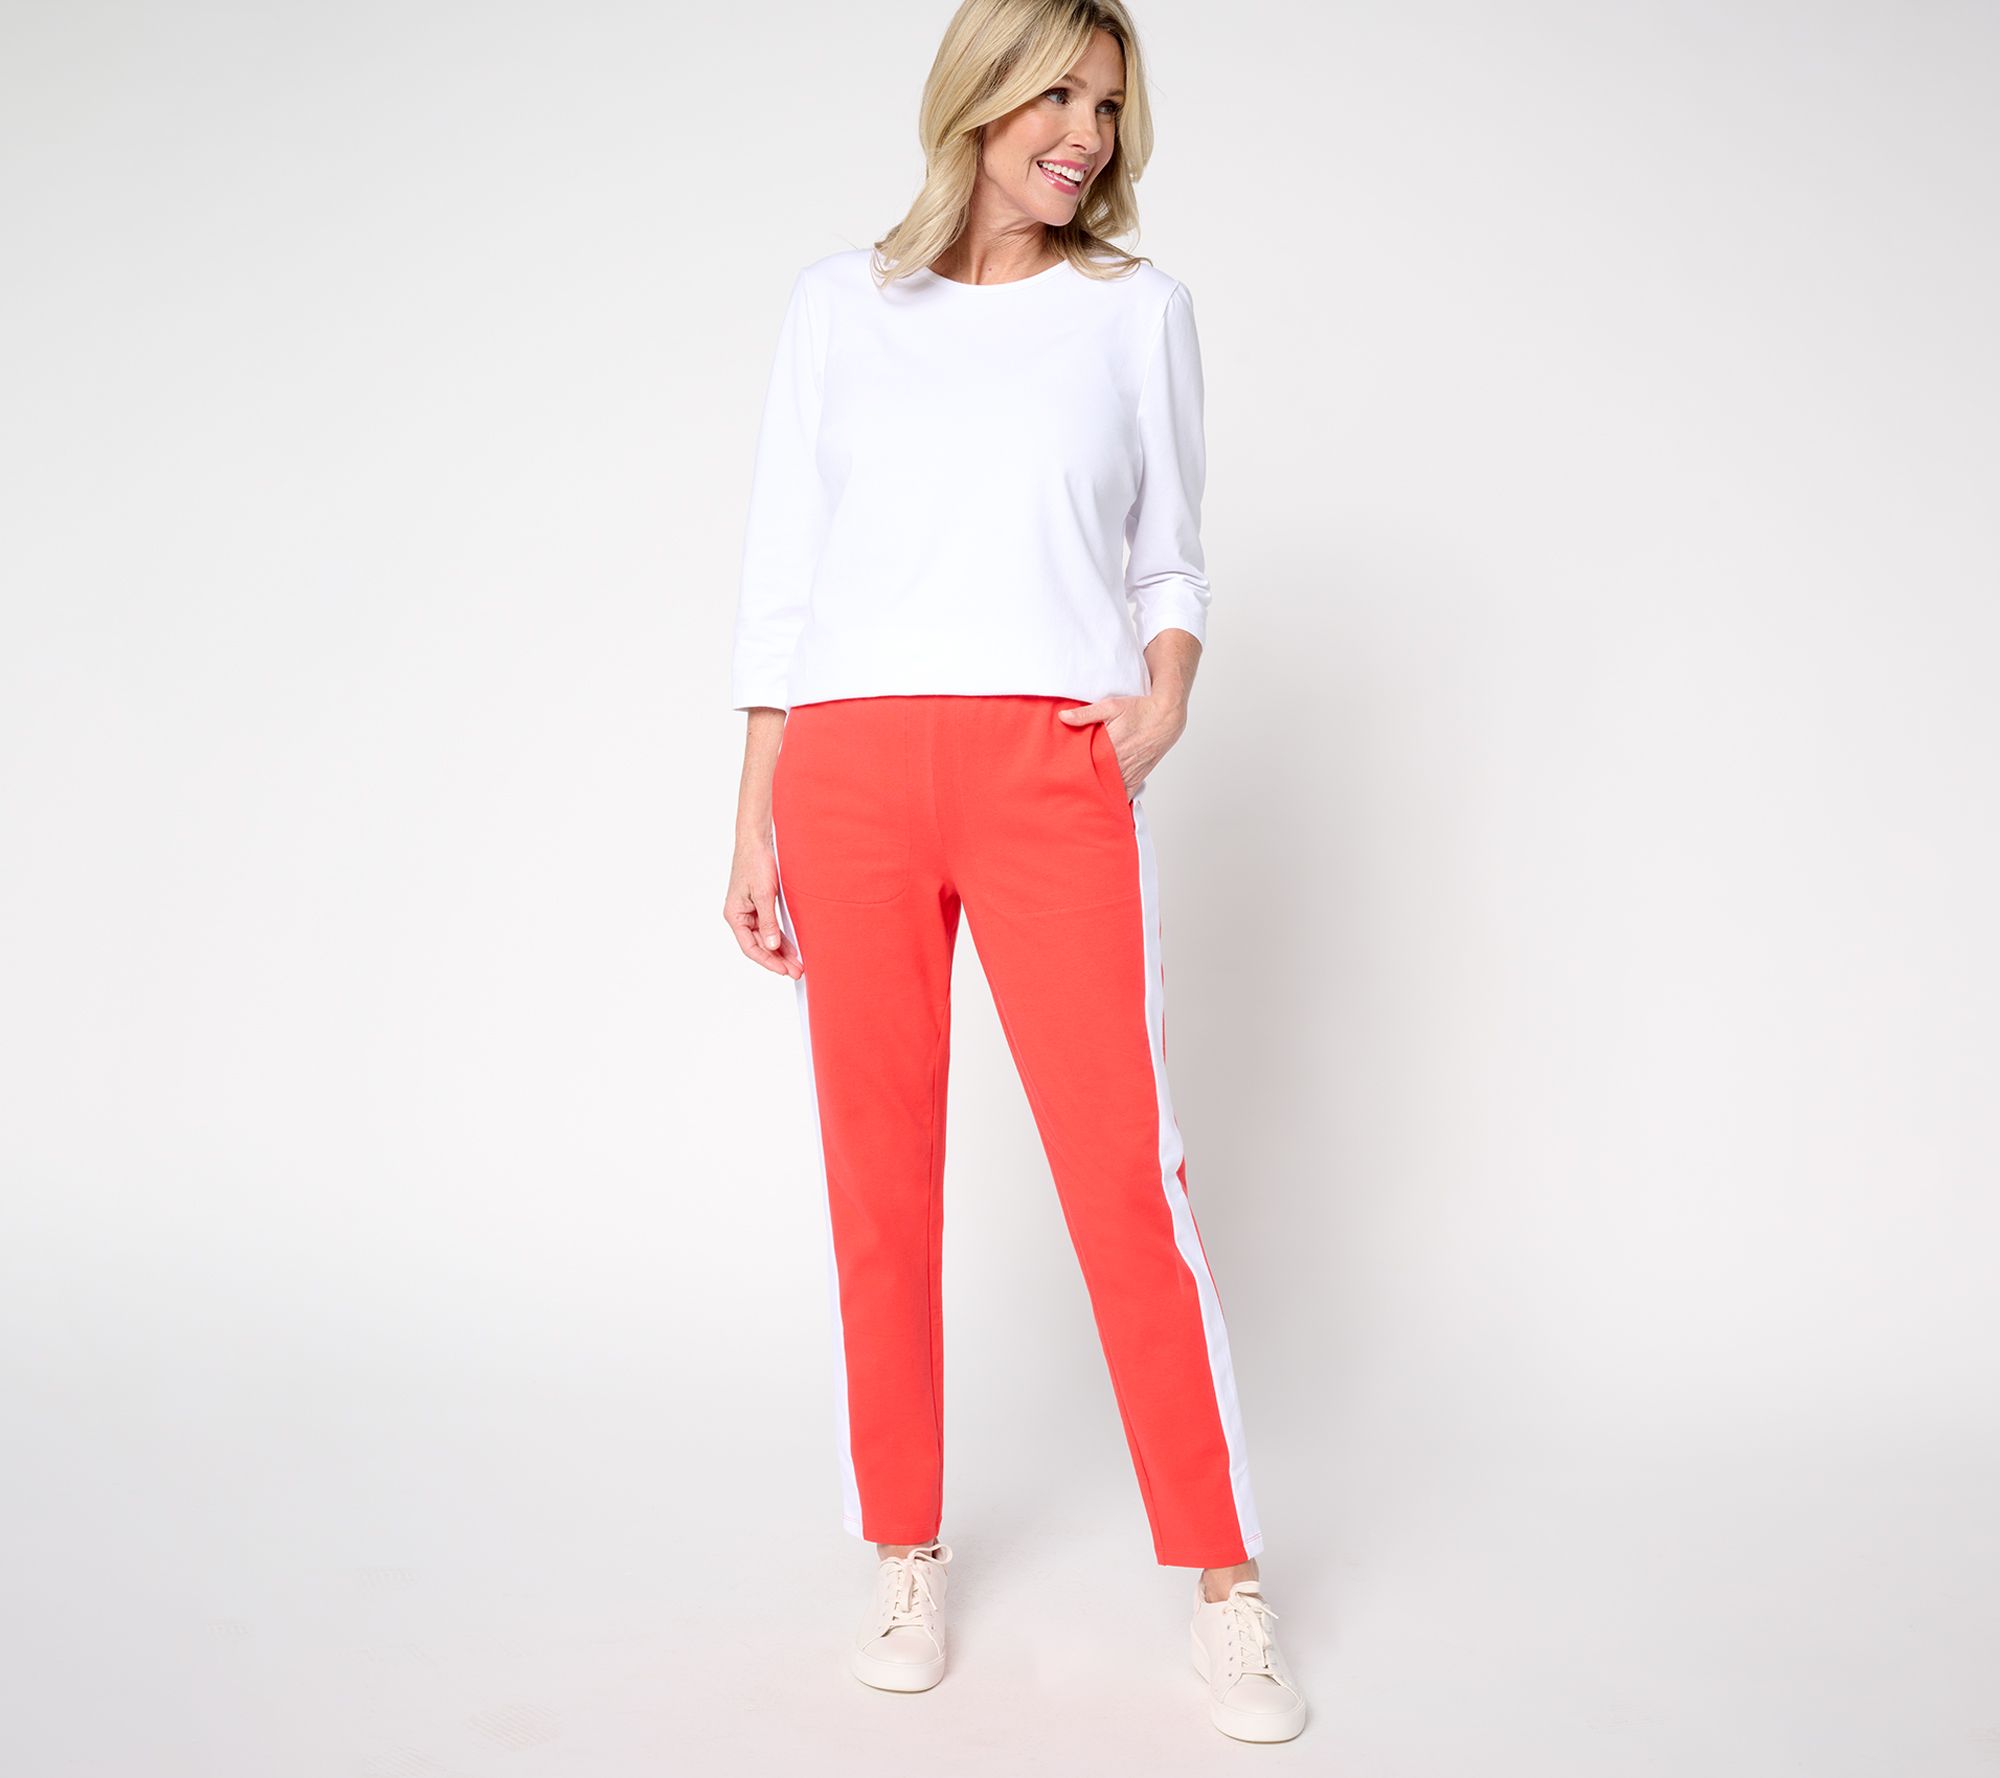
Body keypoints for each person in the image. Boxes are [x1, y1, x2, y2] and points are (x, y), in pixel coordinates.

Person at [722, 0, 1306, 1744]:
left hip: (1048, 766)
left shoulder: (1136, 312)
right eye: (1057, 92)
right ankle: (903, 1547)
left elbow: (1169, 557)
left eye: (1108, 105)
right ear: (977, 95)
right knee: (877, 1176)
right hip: (847, 768)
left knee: (1128, 1175)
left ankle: (1225, 1577)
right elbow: (786, 572)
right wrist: (752, 814)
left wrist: (1163, 702)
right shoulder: (840, 305)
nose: (1084, 134)